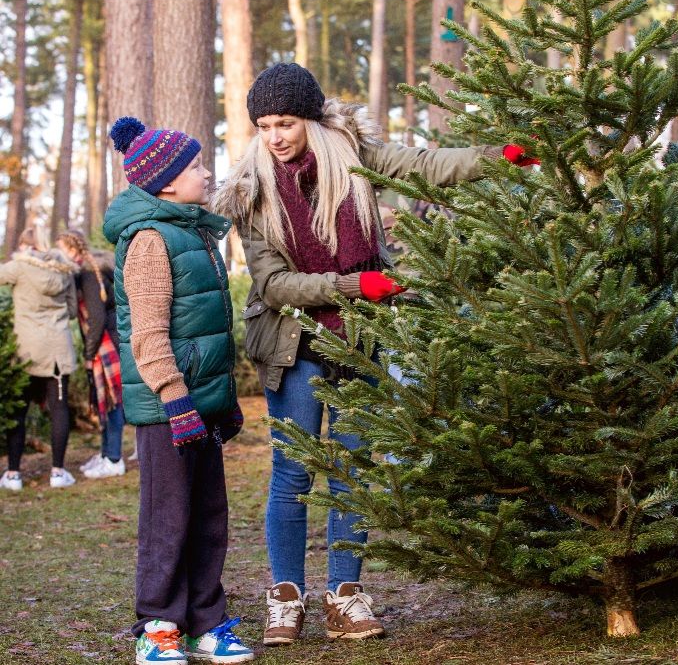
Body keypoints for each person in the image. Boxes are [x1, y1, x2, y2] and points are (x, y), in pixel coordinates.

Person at [212, 62, 537, 646]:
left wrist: (501, 154)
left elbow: (426, 166)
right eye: (263, 125)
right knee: (293, 471)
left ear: (310, 119)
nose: (275, 136)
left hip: (362, 338)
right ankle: (285, 597)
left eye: (285, 122)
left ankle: (345, 596)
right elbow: (272, 285)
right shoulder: (252, 191)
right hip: (294, 344)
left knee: (354, 471)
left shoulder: (354, 157)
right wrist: (348, 286)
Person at [102, 116, 253, 665]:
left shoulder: (192, 231)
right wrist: (176, 398)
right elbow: (147, 334)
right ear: (166, 181)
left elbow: (210, 330)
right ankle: (159, 624)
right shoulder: (148, 239)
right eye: (195, 165)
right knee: (167, 516)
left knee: (209, 513)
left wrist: (222, 400)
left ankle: (207, 621)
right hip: (169, 409)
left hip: (200, 404)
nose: (205, 170)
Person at [0, 226, 78, 491]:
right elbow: (71, 311)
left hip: (25, 350)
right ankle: (58, 472)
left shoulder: (18, 267)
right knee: (59, 410)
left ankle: (12, 475)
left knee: (19, 411)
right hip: (57, 348)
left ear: (26, 246)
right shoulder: (64, 271)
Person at [56, 229, 126, 479]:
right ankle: (106, 453)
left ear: (73, 250)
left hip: (108, 344)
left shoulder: (87, 273)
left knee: (113, 402)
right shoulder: (86, 270)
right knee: (104, 401)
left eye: (62, 249)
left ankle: (114, 459)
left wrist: (88, 354)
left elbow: (95, 320)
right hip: (106, 342)